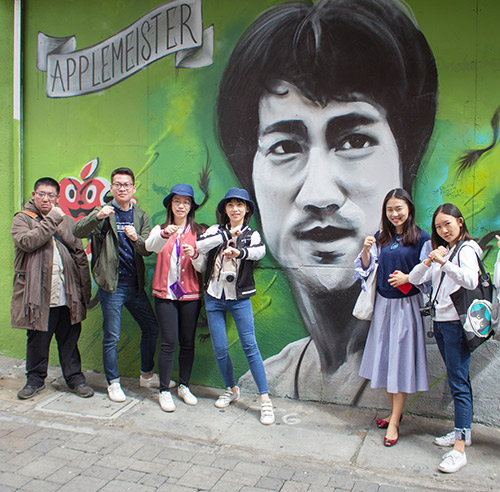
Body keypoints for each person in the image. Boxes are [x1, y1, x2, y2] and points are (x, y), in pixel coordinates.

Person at [216, 0, 438, 401]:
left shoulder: (463, 377)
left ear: (407, 156)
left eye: (354, 141)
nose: (319, 195)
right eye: (284, 146)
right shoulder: (267, 381)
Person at [73, 167, 159, 402]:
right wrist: (97, 216)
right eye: (118, 184)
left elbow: (146, 249)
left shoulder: (141, 216)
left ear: (133, 188)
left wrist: (135, 238)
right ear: (111, 188)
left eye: (126, 185)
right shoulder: (103, 212)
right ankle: (113, 383)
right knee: (112, 336)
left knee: (151, 328)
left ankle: (147, 374)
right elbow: (77, 230)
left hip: (135, 285)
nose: (122, 188)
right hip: (112, 286)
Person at [354, 189, 431, 447]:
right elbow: (365, 270)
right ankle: (394, 413)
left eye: (399, 208)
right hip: (384, 306)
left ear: (409, 208)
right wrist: (366, 250)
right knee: (387, 361)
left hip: (406, 306)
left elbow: (429, 273)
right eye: (390, 209)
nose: (394, 214)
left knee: (400, 362)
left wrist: (408, 278)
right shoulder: (381, 237)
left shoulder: (421, 238)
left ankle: (395, 421)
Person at [192, 188, 275, 425]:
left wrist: (239, 250)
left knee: (250, 345)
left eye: (240, 205)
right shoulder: (214, 232)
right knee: (219, 347)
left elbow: (260, 252)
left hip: (239, 299)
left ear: (247, 209)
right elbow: (201, 247)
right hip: (213, 297)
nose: (235, 209)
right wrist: (225, 236)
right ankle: (231, 388)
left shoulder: (253, 234)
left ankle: (264, 399)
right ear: (225, 209)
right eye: (230, 205)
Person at [409, 204, 481, 473]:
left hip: (455, 326)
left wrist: (444, 263)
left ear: (460, 222)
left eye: (448, 224)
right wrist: (429, 260)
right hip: (440, 323)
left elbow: (471, 281)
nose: (444, 230)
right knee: (458, 379)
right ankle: (464, 431)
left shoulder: (467, 250)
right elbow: (416, 278)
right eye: (439, 226)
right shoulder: (444, 251)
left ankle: (459, 449)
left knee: (459, 383)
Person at [11, 177, 94, 400]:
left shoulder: (65, 221)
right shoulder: (22, 219)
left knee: (70, 340)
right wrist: (51, 219)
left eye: (51, 195)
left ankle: (75, 379)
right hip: (39, 297)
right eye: (41, 194)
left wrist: (84, 292)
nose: (46, 198)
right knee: (38, 341)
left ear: (57, 198)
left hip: (67, 295)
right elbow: (28, 242)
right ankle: (35, 380)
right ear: (33, 195)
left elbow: (79, 255)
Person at [145, 184, 203, 412]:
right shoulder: (160, 229)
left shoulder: (199, 232)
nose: (181, 206)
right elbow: (151, 248)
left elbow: (203, 265)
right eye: (177, 201)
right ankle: (163, 390)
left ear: (191, 207)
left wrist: (195, 255)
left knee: (187, 342)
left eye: (186, 202)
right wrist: (163, 234)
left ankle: (184, 386)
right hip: (165, 295)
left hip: (191, 295)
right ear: (170, 204)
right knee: (169, 342)